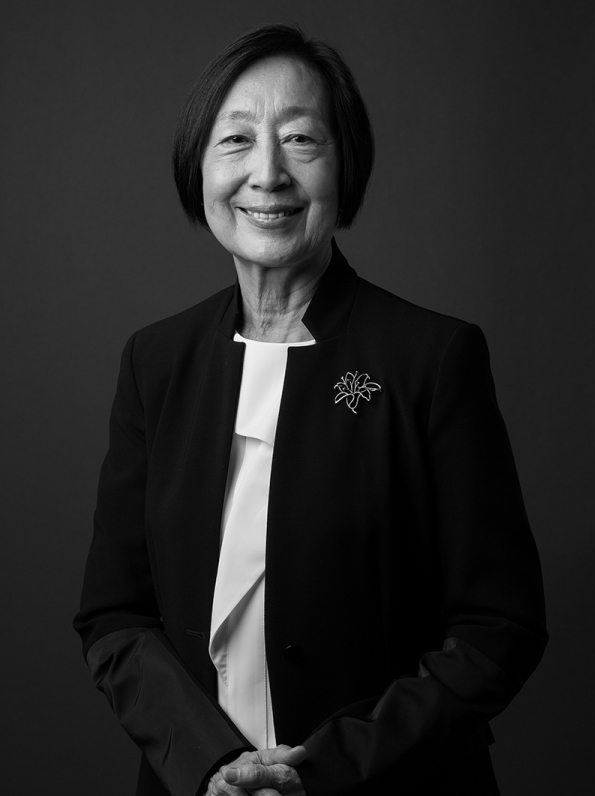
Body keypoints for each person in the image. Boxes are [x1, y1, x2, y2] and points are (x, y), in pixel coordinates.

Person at [74, 23, 547, 796]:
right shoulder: (155, 362)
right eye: (236, 140)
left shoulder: (432, 359)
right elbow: (114, 617)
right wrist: (208, 763)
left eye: (300, 139)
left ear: (344, 164)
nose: (267, 174)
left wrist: (326, 771)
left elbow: (500, 628)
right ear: (199, 167)